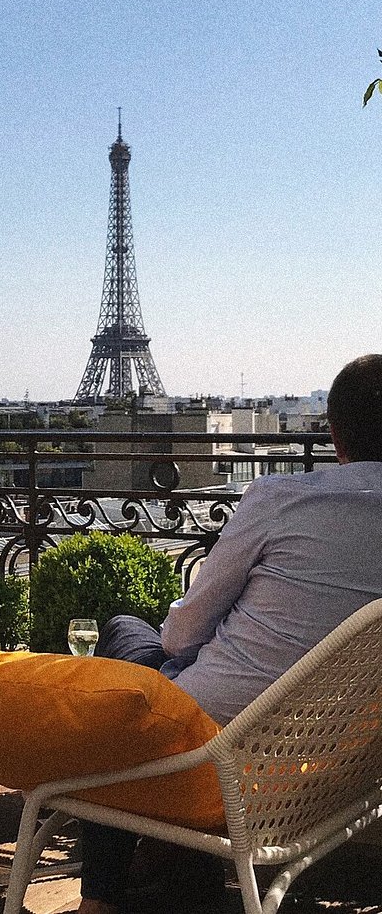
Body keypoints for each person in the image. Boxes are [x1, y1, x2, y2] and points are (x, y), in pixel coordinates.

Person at [78, 354, 382, 914]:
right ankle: (169, 869)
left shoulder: (281, 499)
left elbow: (180, 635)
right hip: (341, 761)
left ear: (334, 433)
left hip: (222, 744)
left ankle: (100, 897)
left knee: (125, 647)